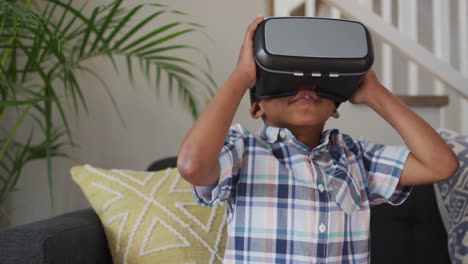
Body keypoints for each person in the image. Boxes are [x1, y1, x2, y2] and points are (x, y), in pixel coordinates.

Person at [177, 16, 459, 263]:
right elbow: (192, 165)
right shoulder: (243, 152)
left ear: (336, 107)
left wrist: (375, 93)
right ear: (257, 107)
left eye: (321, 84)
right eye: (287, 80)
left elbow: (441, 165)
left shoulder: (357, 157)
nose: (306, 86)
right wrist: (242, 75)